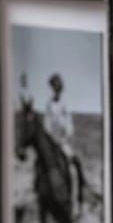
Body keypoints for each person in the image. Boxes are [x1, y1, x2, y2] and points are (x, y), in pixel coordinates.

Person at [45, 73, 79, 208]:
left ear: (61, 88)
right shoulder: (48, 103)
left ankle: (75, 201)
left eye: (57, 87)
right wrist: (50, 136)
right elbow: (46, 122)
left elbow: (70, 124)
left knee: (72, 169)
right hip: (51, 140)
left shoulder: (66, 103)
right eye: (53, 87)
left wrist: (64, 136)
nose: (55, 89)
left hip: (63, 141)